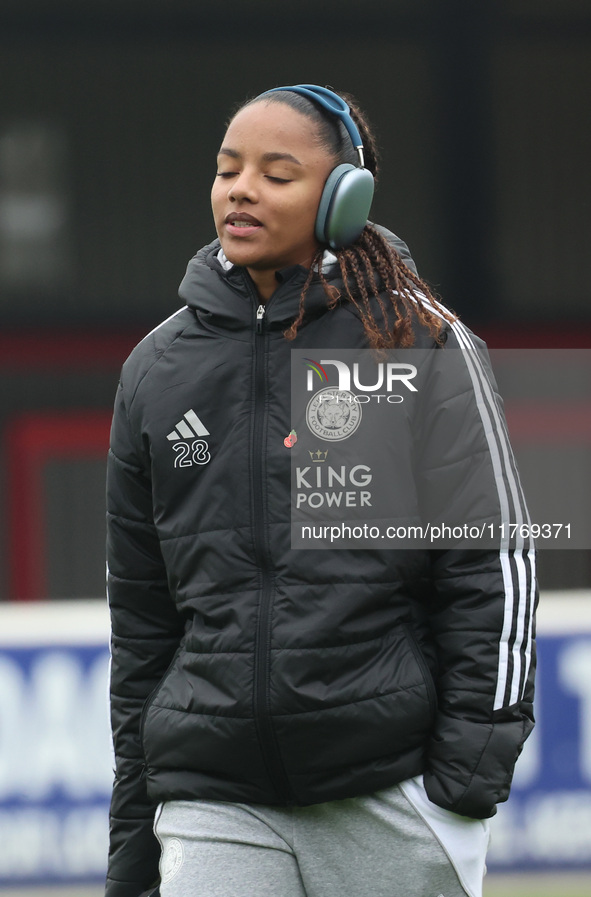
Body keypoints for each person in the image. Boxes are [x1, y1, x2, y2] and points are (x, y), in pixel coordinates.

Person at [105, 84, 537, 897]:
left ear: (345, 196)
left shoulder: (420, 339)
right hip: (213, 795)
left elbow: (493, 561)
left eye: (276, 173)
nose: (240, 189)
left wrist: (463, 775)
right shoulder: (156, 367)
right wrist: (137, 816)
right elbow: (142, 613)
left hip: (390, 789)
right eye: (228, 168)